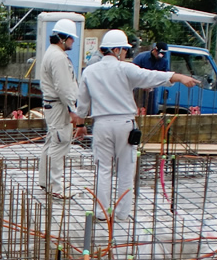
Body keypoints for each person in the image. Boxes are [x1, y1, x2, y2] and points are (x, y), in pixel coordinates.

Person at [72, 30, 198, 222]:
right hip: (124, 124)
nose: (125, 54)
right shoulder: (125, 69)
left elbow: (82, 103)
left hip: (102, 125)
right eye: (123, 50)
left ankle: (101, 213)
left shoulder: (89, 71)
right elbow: (151, 76)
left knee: (103, 170)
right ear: (115, 50)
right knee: (125, 170)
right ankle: (122, 214)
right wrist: (178, 77)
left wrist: (80, 124)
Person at [38, 18, 80, 199]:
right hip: (59, 106)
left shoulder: (52, 53)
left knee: (52, 142)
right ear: (63, 38)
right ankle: (56, 187)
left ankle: (46, 182)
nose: (73, 42)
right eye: (71, 38)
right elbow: (64, 87)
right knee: (60, 142)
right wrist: (72, 109)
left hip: (53, 105)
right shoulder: (58, 57)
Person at [132, 42, 169, 115]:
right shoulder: (141, 57)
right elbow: (132, 72)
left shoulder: (164, 61)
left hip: (153, 89)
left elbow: (165, 75)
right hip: (139, 89)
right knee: (137, 109)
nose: (160, 57)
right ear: (155, 50)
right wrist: (141, 84)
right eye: (159, 54)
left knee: (152, 111)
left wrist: (153, 86)